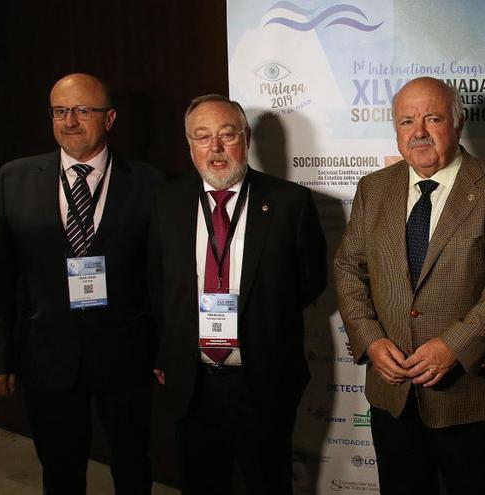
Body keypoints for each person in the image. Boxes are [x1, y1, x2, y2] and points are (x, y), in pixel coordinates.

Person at [334, 77, 485, 495]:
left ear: (459, 123)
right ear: (396, 131)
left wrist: (454, 346)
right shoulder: (373, 188)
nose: (419, 131)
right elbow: (349, 270)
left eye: (433, 118)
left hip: (468, 396)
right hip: (392, 393)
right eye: (407, 121)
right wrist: (370, 341)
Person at [0, 73, 161, 494]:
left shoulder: (148, 183)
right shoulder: (15, 178)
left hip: (126, 357)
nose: (70, 121)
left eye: (82, 110)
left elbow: (161, 276)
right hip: (48, 359)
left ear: (109, 118)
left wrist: (165, 349)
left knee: (133, 468)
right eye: (60, 111)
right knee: (60, 472)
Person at [149, 94, 327, 495]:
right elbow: (158, 284)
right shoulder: (166, 201)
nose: (215, 147)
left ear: (246, 139)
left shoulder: (288, 203)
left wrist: (259, 316)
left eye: (227, 134)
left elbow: (310, 281)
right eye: (202, 136)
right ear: (190, 145)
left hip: (261, 378)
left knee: (267, 483)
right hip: (192, 381)